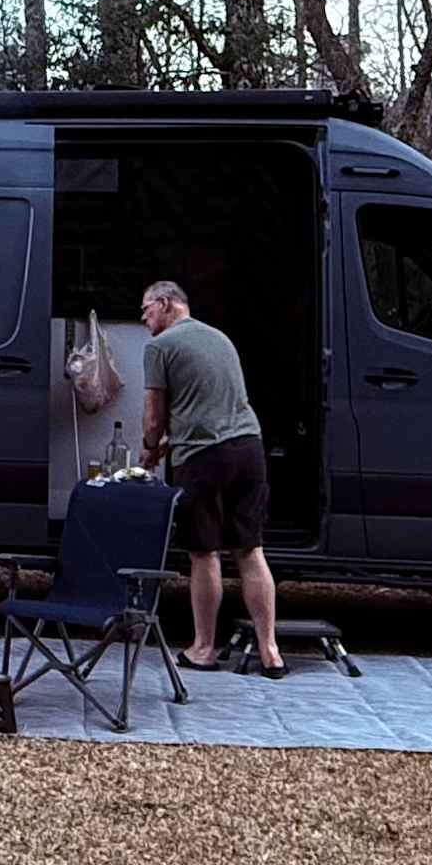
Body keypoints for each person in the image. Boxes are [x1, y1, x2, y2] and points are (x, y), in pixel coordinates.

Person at [136, 278, 282, 675]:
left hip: (203, 458)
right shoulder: (220, 337)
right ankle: (270, 652)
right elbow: (211, 405)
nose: (144, 319)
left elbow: (153, 418)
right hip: (249, 449)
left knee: (205, 552)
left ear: (165, 304)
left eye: (146, 310)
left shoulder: (159, 347)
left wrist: (151, 447)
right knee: (251, 550)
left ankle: (203, 648)